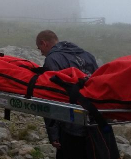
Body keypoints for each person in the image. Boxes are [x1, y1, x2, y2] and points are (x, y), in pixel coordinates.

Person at [36, 30, 118, 159]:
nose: (41, 52)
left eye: (40, 49)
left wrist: (53, 133)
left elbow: (51, 98)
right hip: (98, 121)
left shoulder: (52, 60)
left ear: (43, 43)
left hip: (72, 128)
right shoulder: (87, 55)